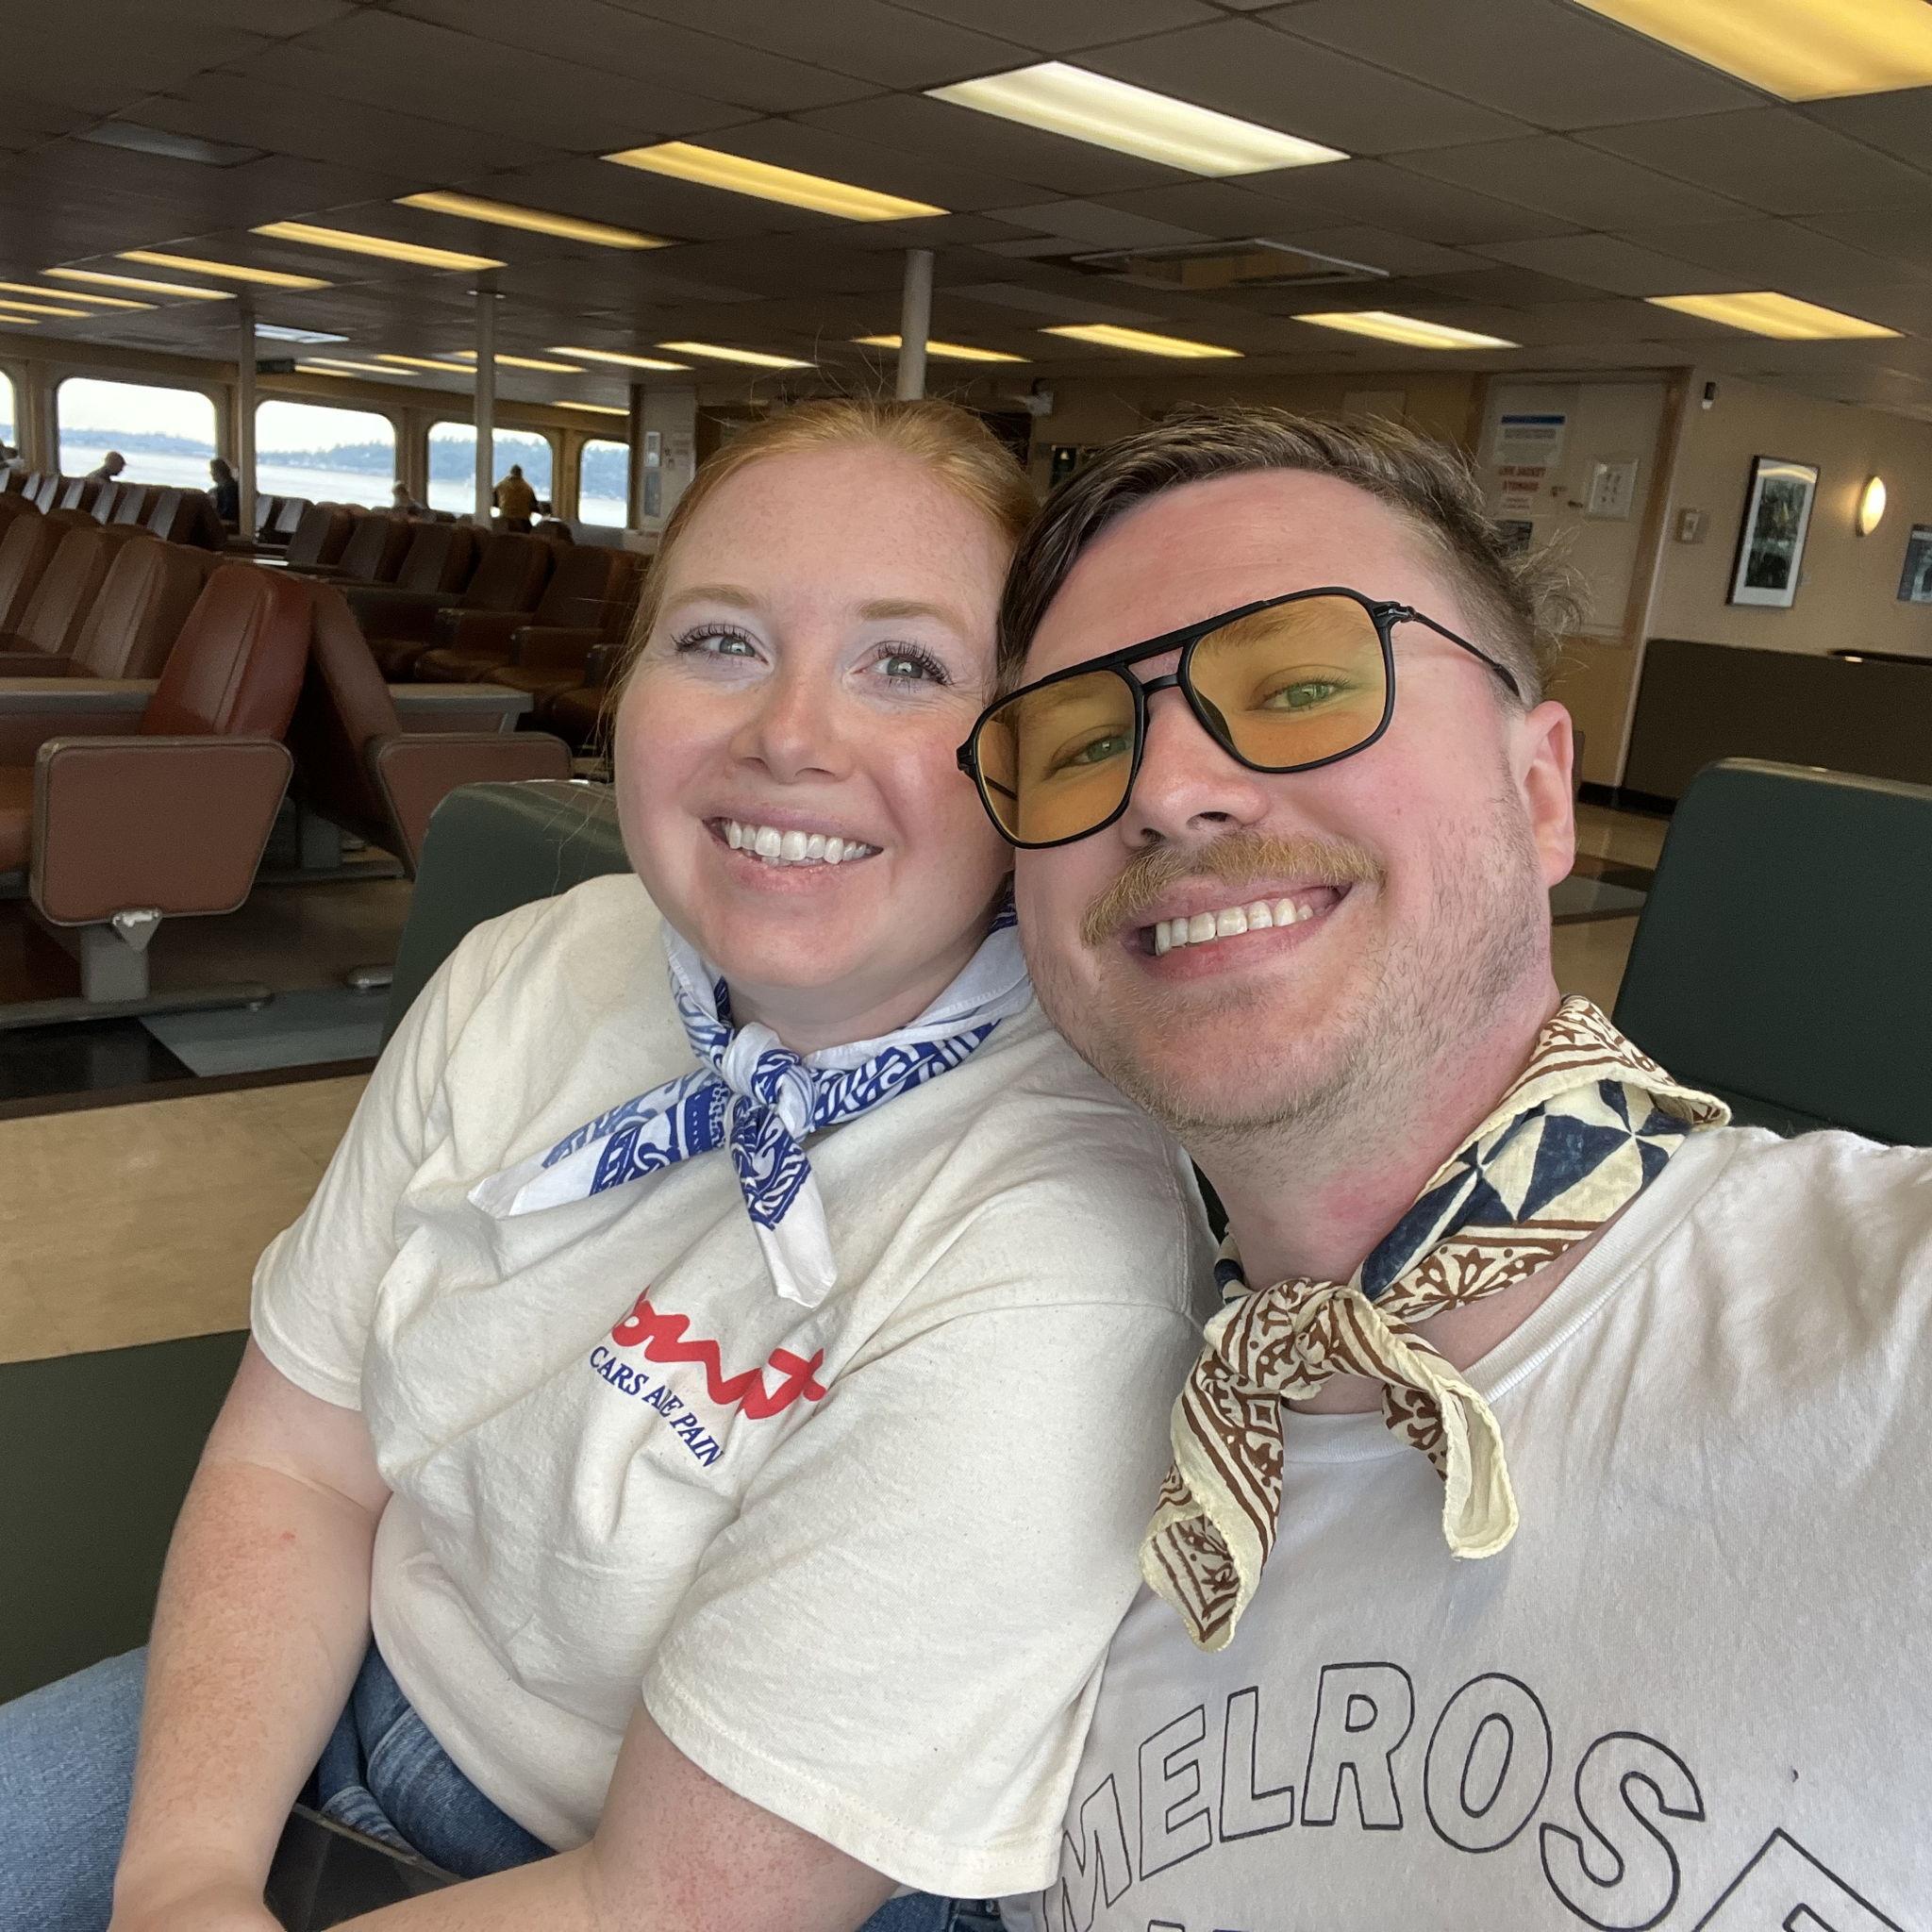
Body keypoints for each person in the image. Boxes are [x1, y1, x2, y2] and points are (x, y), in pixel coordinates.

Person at [0, 398, 1211, 1932]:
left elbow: (671, 1898)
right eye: (717, 639)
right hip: (356, 1695)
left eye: (903, 663)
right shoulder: (537, 968)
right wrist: (184, 1879)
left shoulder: (1057, 1244)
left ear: (1032, 760)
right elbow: (297, 1461)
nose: (788, 731)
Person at [960, 408, 1932, 1930]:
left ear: (1540, 789)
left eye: (1299, 684)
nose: (1163, 787)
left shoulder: (1889, 1328)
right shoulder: (1045, 1481)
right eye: (1079, 743)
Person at [492, 462, 536, 531]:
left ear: (510, 473)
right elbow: (534, 507)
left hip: (505, 520)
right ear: (521, 474)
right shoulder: (528, 488)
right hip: (522, 523)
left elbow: (492, 502)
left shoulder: (501, 485)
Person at [207, 457, 240, 527]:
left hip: (231, 523)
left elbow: (229, 512)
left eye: (212, 470)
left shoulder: (229, 488)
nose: (210, 473)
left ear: (218, 472)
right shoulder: (220, 488)